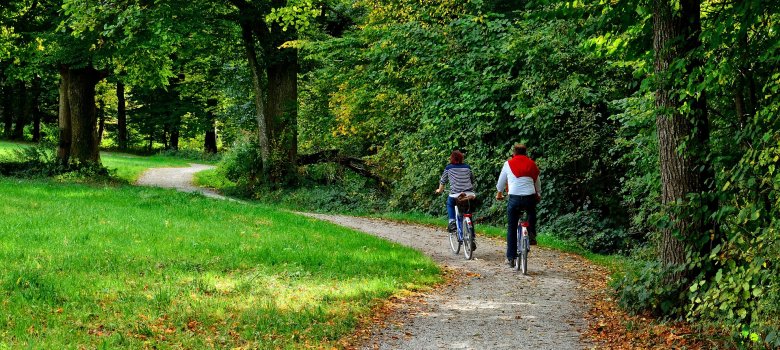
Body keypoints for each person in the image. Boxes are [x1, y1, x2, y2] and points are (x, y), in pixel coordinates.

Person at [495, 144, 541, 267]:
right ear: (525, 153)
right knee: (531, 211)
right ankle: (531, 233)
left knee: (512, 227)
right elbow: (537, 181)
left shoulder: (508, 164)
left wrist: (499, 193)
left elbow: (501, 183)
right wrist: (539, 193)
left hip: (514, 198)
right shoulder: (531, 163)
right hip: (529, 197)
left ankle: (511, 257)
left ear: (514, 153)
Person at [435, 150, 477, 250]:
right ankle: (472, 238)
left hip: (455, 195)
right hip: (468, 194)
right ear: (462, 158)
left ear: (451, 158)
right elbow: (472, 179)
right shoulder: (467, 167)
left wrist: (439, 190)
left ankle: (452, 221)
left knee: (450, 203)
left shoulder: (448, 168)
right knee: (468, 213)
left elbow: (443, 180)